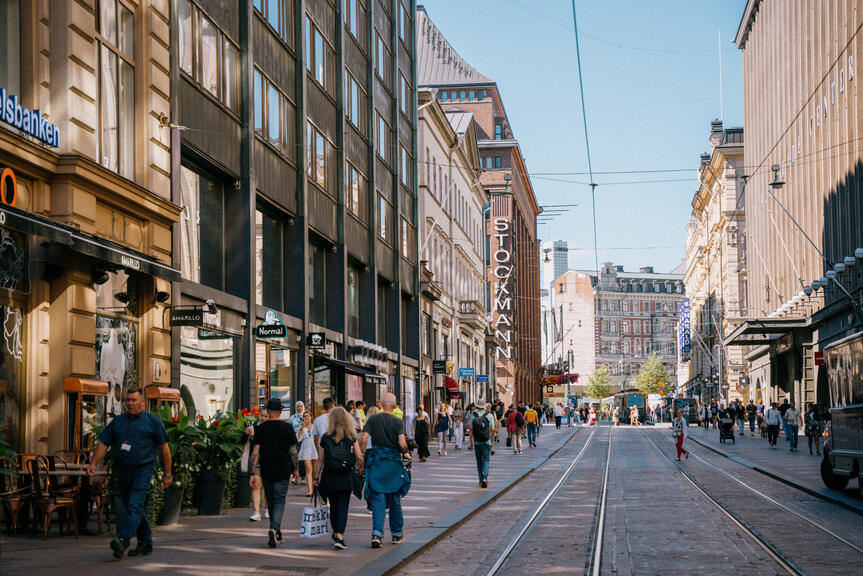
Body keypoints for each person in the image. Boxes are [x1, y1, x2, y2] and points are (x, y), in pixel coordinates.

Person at [88, 388, 171, 559]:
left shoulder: (153, 422)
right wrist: (94, 463)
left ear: (142, 402)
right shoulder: (118, 422)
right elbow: (103, 444)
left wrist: (167, 474)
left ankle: (123, 540)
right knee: (134, 507)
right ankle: (145, 542)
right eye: (128, 400)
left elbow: (165, 449)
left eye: (134, 400)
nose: (130, 403)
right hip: (123, 470)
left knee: (134, 505)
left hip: (143, 470)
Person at [359, 392, 410, 548]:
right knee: (394, 498)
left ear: (381, 403)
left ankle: (377, 534)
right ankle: (396, 533)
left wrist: (360, 460)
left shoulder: (373, 419)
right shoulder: (397, 421)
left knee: (377, 499)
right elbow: (401, 443)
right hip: (392, 463)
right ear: (394, 405)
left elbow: (363, 439)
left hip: (376, 461)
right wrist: (405, 451)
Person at [249, 398, 298, 548]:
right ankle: (275, 529)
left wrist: (252, 472)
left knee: (271, 500)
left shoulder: (261, 429)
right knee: (279, 500)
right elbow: (293, 451)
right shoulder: (287, 427)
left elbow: (255, 453)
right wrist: (296, 469)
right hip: (283, 468)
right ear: (281, 411)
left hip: (266, 469)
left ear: (268, 411)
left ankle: (276, 531)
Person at [315, 407, 364, 550]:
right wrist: (359, 468)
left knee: (334, 506)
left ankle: (335, 531)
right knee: (343, 505)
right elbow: (359, 456)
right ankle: (340, 534)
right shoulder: (351, 436)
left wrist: (316, 477)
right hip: (346, 476)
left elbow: (320, 459)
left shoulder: (326, 437)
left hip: (329, 476)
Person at [245, 410, 269, 522]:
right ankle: (256, 512)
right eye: (262, 415)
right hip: (255, 460)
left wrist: (255, 435)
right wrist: (246, 434)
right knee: (256, 484)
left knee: (267, 486)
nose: (263, 417)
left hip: (268, 459)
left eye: (266, 416)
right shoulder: (253, 426)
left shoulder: (270, 428)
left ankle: (267, 509)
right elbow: (243, 441)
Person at [469, 402, 496, 488]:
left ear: (477, 406)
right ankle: (485, 478)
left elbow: (470, 430)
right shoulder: (489, 415)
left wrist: (471, 442)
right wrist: (492, 442)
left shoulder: (473, 415)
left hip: (477, 442)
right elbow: (493, 429)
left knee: (479, 461)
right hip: (487, 441)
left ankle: (481, 480)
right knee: (486, 460)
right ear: (484, 406)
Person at [297, 412, 318, 496]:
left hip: (314, 447)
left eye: (307, 416)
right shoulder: (301, 427)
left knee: (315, 470)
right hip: (305, 448)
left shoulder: (315, 426)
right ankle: (310, 490)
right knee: (308, 470)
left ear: (311, 417)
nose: (306, 418)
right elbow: (298, 439)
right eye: (304, 416)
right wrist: (302, 427)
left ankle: (314, 487)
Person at [288, 402, 305, 484]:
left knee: (303, 458)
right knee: (295, 458)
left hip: (304, 439)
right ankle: (295, 475)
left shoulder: (306, 416)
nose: (299, 408)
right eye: (298, 406)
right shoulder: (292, 417)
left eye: (301, 406)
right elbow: (289, 428)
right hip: (295, 439)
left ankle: (303, 476)